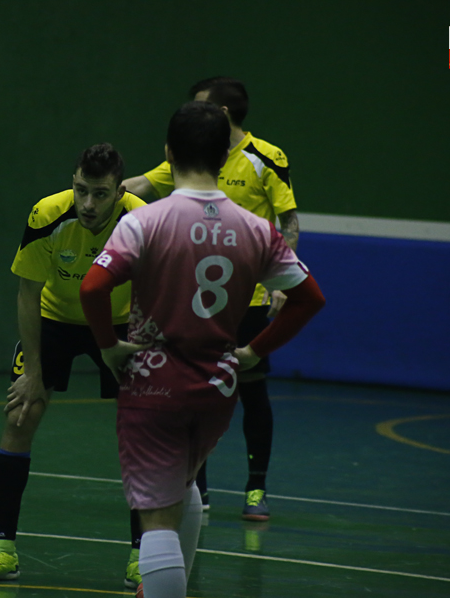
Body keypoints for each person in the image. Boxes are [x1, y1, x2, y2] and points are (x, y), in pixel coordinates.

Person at [80, 100, 325, 598]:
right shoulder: (257, 229)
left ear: (168, 153)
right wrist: (254, 352)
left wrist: (108, 347)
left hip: (154, 381)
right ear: (223, 155)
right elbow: (308, 298)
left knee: (156, 519)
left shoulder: (145, 221)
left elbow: (91, 289)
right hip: (218, 382)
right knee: (185, 481)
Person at [0, 144, 149, 588]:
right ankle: (3, 549)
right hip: (55, 319)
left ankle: (143, 554)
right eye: (81, 190)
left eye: (100, 194)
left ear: (119, 191)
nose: (88, 204)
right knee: (20, 416)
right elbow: (28, 294)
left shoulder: (141, 221)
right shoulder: (47, 215)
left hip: (122, 325)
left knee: (146, 433)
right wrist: (33, 372)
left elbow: (153, 292)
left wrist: (135, 348)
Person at [124, 77, 299, 520]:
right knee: (191, 390)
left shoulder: (266, 157)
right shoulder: (192, 154)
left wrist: (280, 282)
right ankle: (194, 493)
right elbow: (139, 186)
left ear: (221, 114)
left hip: (250, 295)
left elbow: (288, 220)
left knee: (253, 390)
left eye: (199, 105)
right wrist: (88, 193)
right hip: (196, 299)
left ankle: (256, 488)